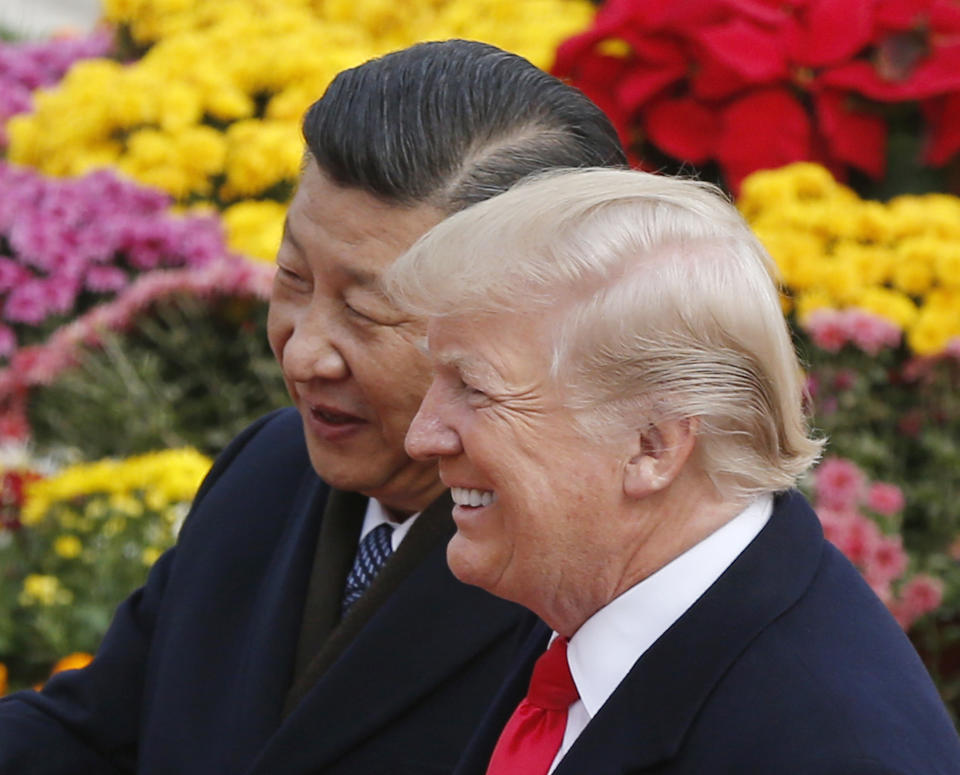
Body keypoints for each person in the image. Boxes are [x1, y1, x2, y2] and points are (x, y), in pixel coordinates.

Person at [0, 42, 627, 774]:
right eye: (293, 278)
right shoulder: (267, 469)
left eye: (366, 311)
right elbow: (97, 732)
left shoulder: (589, 580)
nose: (303, 354)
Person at [388, 167, 960, 774]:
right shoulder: (580, 590)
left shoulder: (829, 751)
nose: (421, 436)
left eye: (473, 388)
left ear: (652, 448)